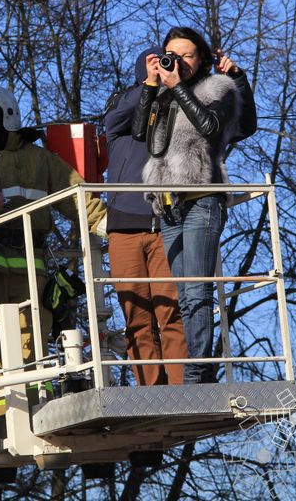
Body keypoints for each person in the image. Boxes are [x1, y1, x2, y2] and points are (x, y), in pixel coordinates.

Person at [0, 83, 106, 417]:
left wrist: (110, 229)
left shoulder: (41, 160)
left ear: (5, 120)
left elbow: (77, 197)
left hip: (31, 269)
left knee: (31, 344)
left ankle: (36, 412)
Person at [131, 27, 251, 384]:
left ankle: (199, 372)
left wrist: (177, 87)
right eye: (171, 54)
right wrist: (152, 87)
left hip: (202, 199)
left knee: (197, 289)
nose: (178, 62)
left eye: (187, 55)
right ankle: (199, 368)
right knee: (185, 294)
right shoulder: (163, 94)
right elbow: (140, 133)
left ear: (201, 60)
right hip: (168, 206)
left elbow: (211, 129)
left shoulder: (218, 89)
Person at [105, 47, 188, 386]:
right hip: (125, 225)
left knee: (171, 309)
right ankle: (150, 388)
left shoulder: (178, 109)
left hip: (165, 223)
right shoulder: (124, 106)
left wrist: (174, 85)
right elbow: (112, 121)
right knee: (135, 312)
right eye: (154, 64)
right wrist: (148, 84)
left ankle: (184, 387)